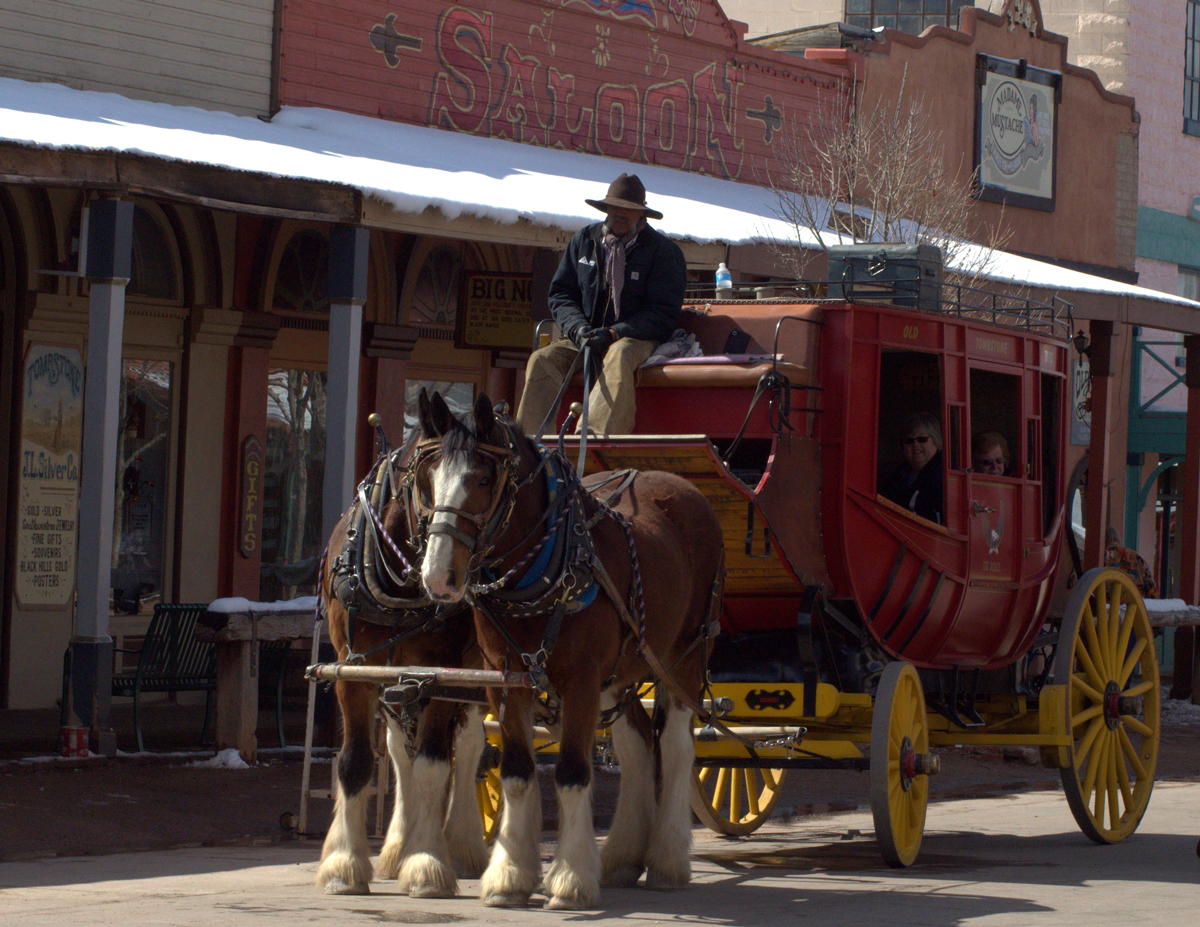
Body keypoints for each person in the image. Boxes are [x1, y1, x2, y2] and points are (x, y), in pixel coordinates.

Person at [515, 173, 687, 437]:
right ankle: (531, 443)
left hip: (635, 338)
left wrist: (615, 332)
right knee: (542, 359)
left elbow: (663, 313)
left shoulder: (663, 252)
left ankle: (593, 438)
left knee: (619, 354)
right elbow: (561, 294)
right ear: (606, 208)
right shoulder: (584, 241)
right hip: (585, 335)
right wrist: (578, 329)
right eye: (615, 207)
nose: (620, 214)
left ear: (641, 214)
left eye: (628, 209)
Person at [880, 412, 944, 525]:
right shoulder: (900, 474)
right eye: (909, 441)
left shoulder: (944, 474)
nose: (915, 445)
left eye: (922, 439)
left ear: (936, 440)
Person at [1104, 526, 1158, 599]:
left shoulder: (1102, 557)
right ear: (1118, 539)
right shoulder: (1135, 556)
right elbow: (1151, 587)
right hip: (1135, 603)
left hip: (1107, 603)